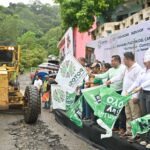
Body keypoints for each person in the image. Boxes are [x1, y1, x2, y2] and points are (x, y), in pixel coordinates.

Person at [106, 52, 143, 138]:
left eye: (124, 59)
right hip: (125, 95)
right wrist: (110, 81)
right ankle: (129, 131)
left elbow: (138, 83)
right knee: (128, 115)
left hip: (133, 96)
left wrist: (136, 96)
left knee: (135, 115)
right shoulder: (126, 68)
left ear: (128, 59)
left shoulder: (138, 68)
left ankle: (136, 133)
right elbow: (119, 76)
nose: (123, 61)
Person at [126, 48, 150, 148]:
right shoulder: (143, 71)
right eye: (144, 62)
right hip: (143, 94)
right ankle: (146, 138)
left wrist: (141, 86)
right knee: (144, 117)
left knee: (149, 116)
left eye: (147, 62)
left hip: (149, 94)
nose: (145, 64)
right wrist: (129, 90)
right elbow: (136, 82)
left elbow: (147, 82)